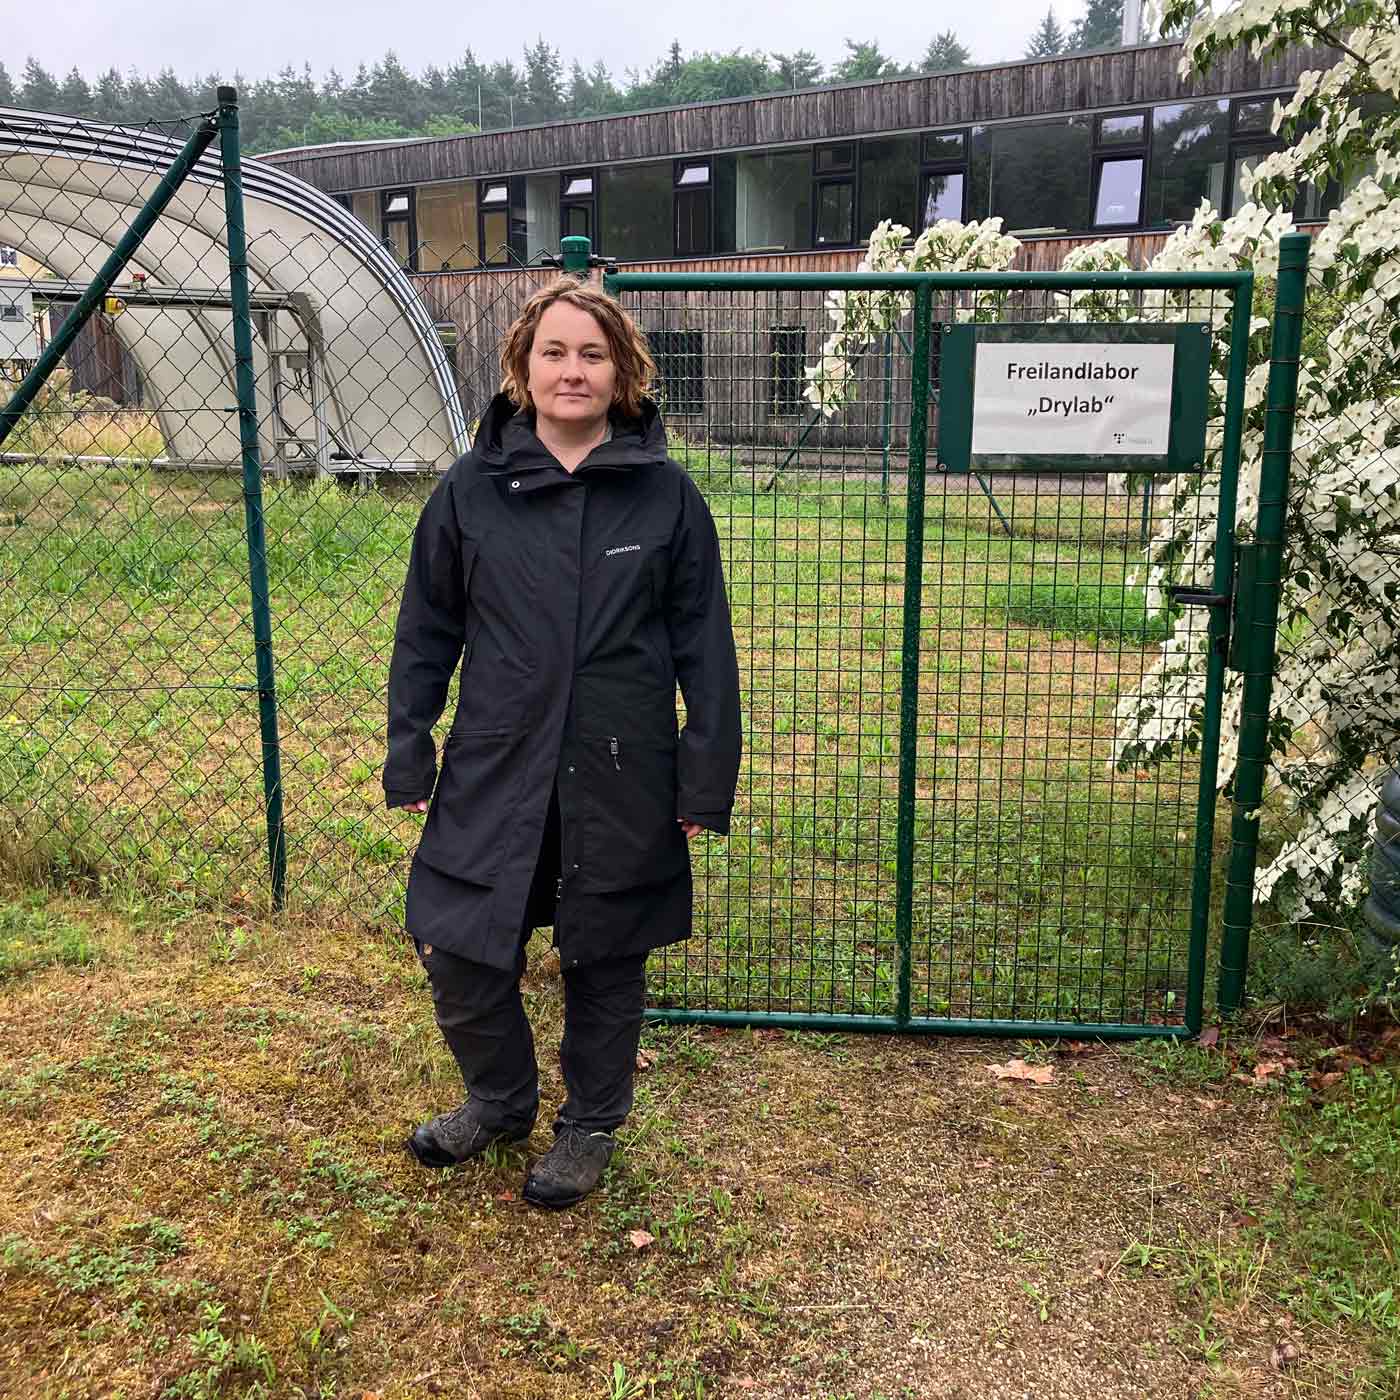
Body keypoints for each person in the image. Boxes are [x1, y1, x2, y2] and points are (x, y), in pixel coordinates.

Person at [383, 277, 742, 1209]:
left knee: (606, 949)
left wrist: (704, 783)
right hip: (497, 759)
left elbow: (705, 649)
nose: (572, 370)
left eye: (592, 353)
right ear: (522, 366)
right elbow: (427, 626)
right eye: (555, 352)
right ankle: (499, 1101)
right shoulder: (472, 488)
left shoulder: (665, 495)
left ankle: (589, 1126)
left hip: (622, 767)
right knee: (455, 938)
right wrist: (409, 746)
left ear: (622, 371)